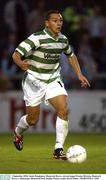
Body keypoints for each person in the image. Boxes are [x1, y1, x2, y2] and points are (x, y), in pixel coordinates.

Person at [12, 10, 90, 160]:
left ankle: (58, 148)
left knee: (63, 109)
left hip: (53, 79)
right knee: (33, 119)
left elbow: (71, 56)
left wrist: (79, 74)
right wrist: (20, 63)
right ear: (47, 23)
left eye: (60, 21)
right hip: (34, 80)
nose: (58, 23)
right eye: (54, 20)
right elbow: (16, 54)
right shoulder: (37, 38)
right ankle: (18, 132)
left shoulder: (63, 40)